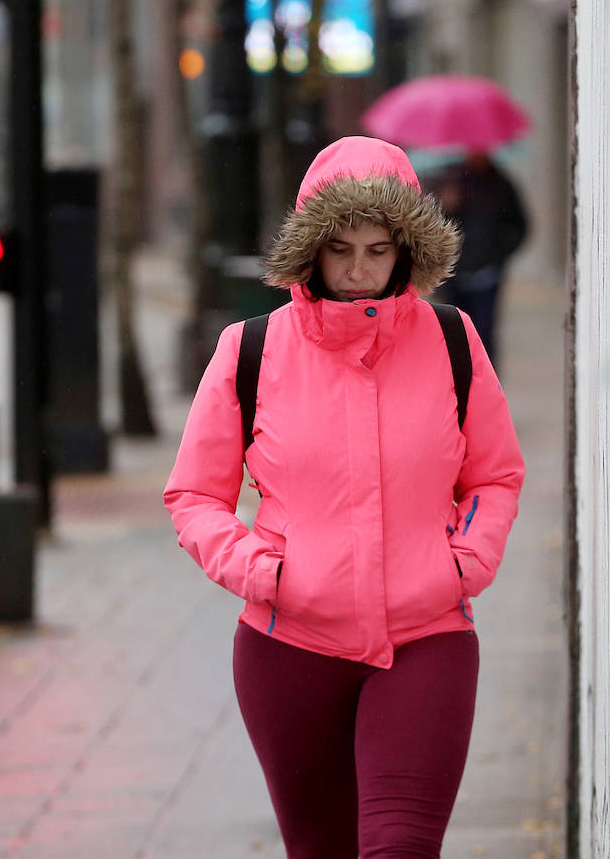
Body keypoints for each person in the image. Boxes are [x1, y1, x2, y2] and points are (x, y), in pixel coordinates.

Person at [164, 136, 526, 858]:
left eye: (378, 249)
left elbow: (495, 474)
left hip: (428, 639)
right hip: (287, 649)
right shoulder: (250, 349)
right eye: (340, 249)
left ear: (407, 250)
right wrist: (262, 571)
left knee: (399, 848)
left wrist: (465, 562)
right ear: (311, 250)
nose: (359, 272)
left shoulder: (454, 340)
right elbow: (194, 496)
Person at [426, 151, 529, 363]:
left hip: (487, 273)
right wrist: (445, 205)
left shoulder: (500, 182)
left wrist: (497, 254)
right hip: (453, 273)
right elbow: (428, 224)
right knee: (452, 333)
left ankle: (486, 383)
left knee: (484, 332)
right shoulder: (450, 178)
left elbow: (520, 225)